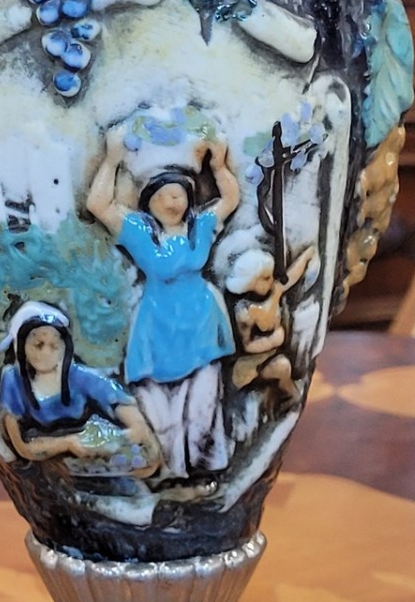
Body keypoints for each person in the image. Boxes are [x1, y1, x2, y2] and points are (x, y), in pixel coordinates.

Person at [86, 127, 241, 478]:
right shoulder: (140, 232)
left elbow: (230, 199)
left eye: (178, 194)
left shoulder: (200, 226)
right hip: (157, 327)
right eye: (163, 196)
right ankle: (171, 475)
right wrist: (111, 159)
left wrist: (219, 166)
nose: (172, 202)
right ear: (149, 201)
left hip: (200, 322)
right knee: (161, 417)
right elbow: (98, 205)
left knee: (203, 409)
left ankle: (203, 469)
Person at [0, 301, 158, 474]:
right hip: (41, 471)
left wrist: (128, 433)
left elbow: (117, 401)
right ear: (20, 346)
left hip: (93, 465)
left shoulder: (78, 377)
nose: (46, 353)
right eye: (38, 345)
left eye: (54, 345)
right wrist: (67, 443)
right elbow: (22, 447)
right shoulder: (12, 381)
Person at [226, 242, 314, 397]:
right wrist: (275, 339)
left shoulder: (274, 291)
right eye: (266, 278)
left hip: (271, 355)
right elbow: (247, 345)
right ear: (252, 282)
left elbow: (291, 277)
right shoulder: (245, 312)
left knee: (284, 367)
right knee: (282, 367)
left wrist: (306, 257)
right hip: (253, 363)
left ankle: (290, 396)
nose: (272, 280)